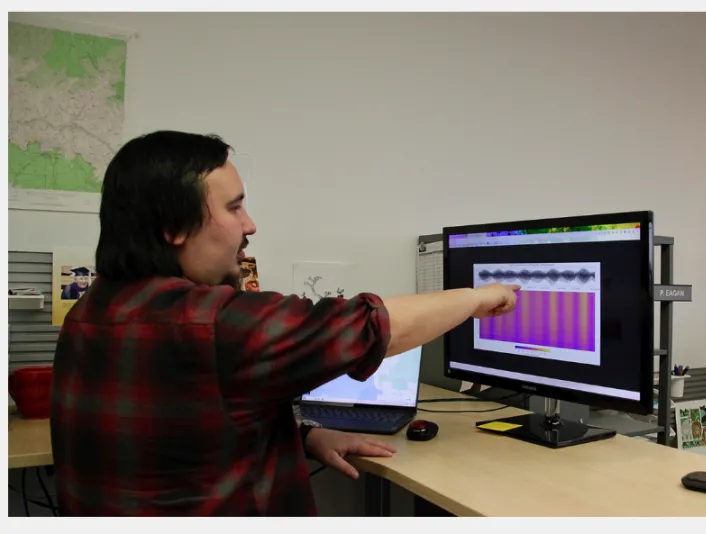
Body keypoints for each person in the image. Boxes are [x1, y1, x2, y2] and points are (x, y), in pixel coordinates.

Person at [49, 130, 521, 516]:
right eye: (234, 207)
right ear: (172, 228)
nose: (249, 224)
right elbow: (373, 327)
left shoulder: (91, 312)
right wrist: (477, 297)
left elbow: (180, 430)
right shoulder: (212, 324)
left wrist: (305, 435)